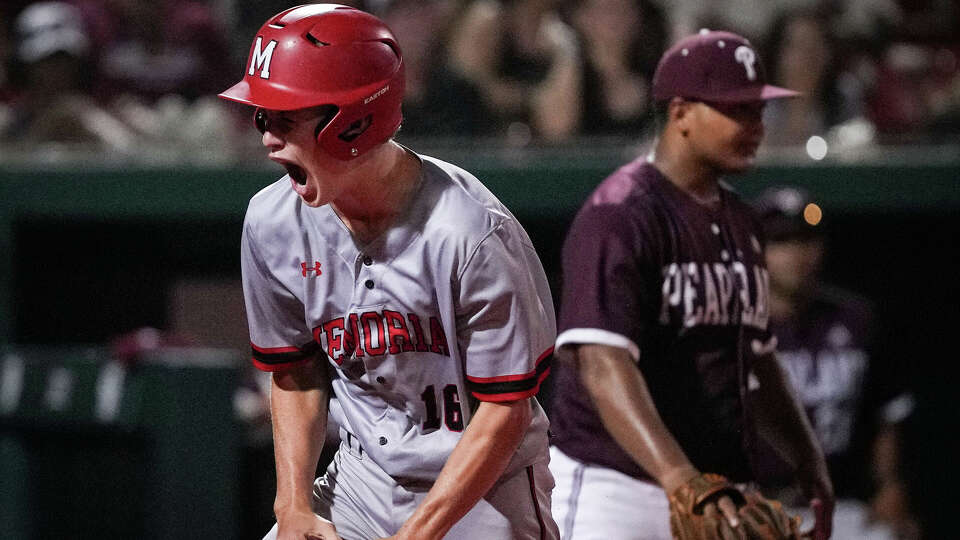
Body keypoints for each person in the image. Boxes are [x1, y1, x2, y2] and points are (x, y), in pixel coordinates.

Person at [218, 5, 559, 540]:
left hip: (482, 486)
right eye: (263, 117)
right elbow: (296, 371)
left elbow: (505, 410)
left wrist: (415, 535)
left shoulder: (471, 233)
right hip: (361, 477)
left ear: (353, 120)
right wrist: (293, 508)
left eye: (285, 117)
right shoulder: (271, 221)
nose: (267, 137)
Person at [547, 29, 834, 539]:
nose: (755, 125)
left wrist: (808, 460)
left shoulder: (743, 220)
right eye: (736, 110)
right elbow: (602, 362)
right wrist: (680, 479)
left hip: (719, 487)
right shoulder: (621, 213)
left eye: (758, 110)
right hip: (619, 487)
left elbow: (758, 359)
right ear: (680, 112)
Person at [752, 186, 898, 539]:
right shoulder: (732, 329)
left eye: (807, 239)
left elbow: (887, 413)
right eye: (782, 241)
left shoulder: (855, 320)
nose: (797, 253)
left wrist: (891, 485)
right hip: (759, 506)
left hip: (842, 504)